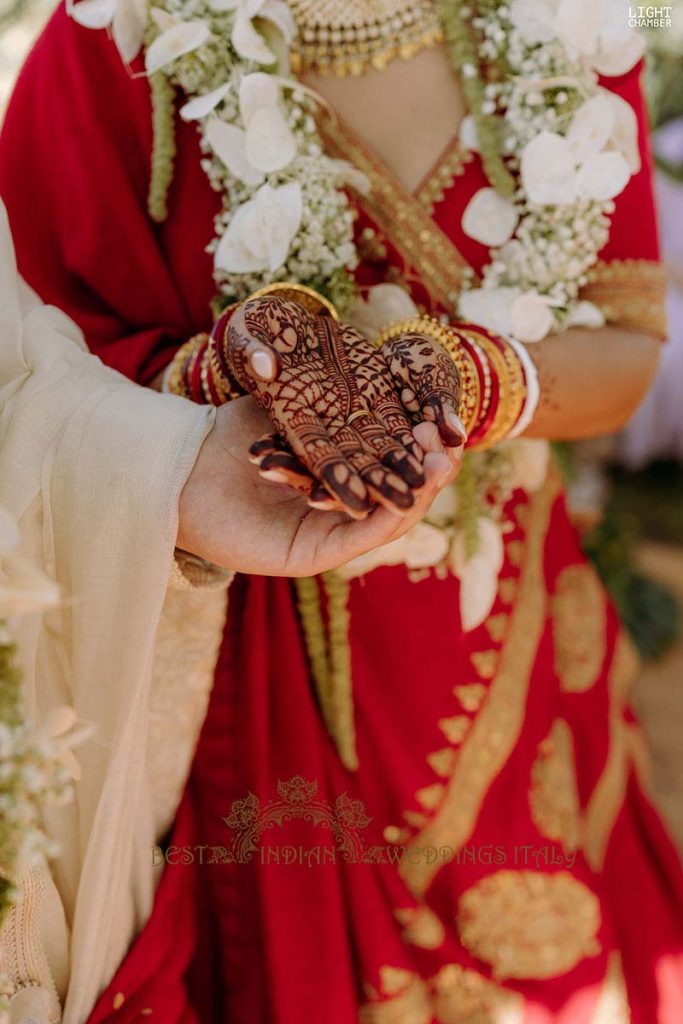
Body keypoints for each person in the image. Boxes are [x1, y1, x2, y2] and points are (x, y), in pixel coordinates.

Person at [0, 1, 682, 1021]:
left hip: (500, 629)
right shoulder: (115, 40)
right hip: (249, 642)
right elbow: (41, 381)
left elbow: (626, 349)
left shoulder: (568, 23)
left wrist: (462, 374)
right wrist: (241, 368)